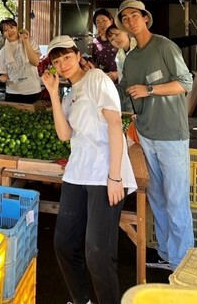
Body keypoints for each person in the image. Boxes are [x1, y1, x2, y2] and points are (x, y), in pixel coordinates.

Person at [41, 35, 137, 304]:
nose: (63, 65)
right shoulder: (70, 94)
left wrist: (115, 176)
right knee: (64, 243)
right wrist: (53, 93)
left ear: (77, 55)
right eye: (56, 62)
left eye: (67, 58)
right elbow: (64, 134)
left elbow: (115, 124)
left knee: (97, 252)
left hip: (104, 174)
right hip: (77, 173)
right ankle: (81, 300)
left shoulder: (96, 79)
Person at [115, 0, 194, 271]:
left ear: (145, 18)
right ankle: (165, 253)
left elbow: (185, 82)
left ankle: (182, 262)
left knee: (176, 199)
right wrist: (97, 79)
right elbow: (124, 92)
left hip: (171, 135)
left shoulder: (164, 46)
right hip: (146, 135)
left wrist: (149, 90)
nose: (130, 21)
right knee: (158, 197)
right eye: (125, 18)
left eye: (134, 15)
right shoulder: (131, 58)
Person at [106, 24, 197, 112]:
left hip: (156, 90)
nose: (115, 39)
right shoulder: (119, 57)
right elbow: (123, 81)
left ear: (125, 31)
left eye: (116, 34)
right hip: (135, 95)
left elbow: (171, 43)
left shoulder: (142, 44)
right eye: (111, 39)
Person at [0, 18, 42, 104]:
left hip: (32, 91)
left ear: (17, 28)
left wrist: (26, 42)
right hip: (12, 93)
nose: (10, 31)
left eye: (12, 27)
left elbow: (35, 62)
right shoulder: (3, 51)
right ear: (3, 34)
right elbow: (5, 76)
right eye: (5, 30)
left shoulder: (30, 41)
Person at [91, 8, 118, 78]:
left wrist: (118, 73)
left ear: (111, 21)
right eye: (98, 22)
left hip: (121, 78)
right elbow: (94, 62)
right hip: (103, 79)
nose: (101, 24)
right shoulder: (95, 42)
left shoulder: (119, 39)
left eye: (104, 20)